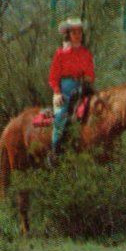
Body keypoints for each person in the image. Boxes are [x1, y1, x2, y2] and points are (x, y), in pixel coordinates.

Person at [46, 17, 95, 164]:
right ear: (68, 34)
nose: (77, 35)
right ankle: (54, 152)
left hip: (83, 87)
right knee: (60, 115)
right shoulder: (61, 54)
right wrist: (57, 92)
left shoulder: (86, 54)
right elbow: (53, 76)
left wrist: (86, 81)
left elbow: (90, 74)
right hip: (65, 89)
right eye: (74, 32)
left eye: (79, 32)